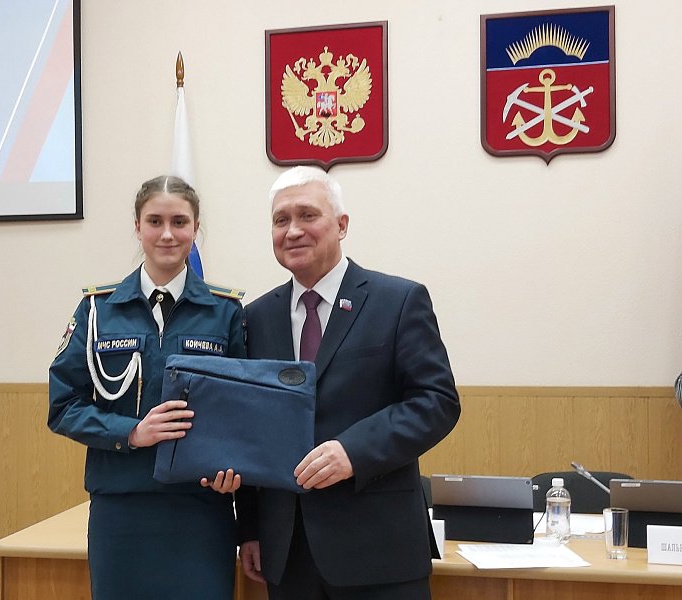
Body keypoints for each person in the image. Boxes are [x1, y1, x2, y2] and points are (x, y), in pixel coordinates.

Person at [234, 166, 461, 600]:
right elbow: (250, 427)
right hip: (287, 554)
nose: (293, 230)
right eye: (281, 220)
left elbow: (436, 402)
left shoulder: (398, 301)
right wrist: (250, 528)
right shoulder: (255, 318)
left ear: (341, 225)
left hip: (379, 551)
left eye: (307, 215)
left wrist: (353, 451)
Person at [48, 175, 245, 600]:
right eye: (155, 221)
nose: (167, 234)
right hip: (122, 509)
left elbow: (244, 414)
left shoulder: (226, 312)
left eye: (180, 222)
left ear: (196, 228)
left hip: (201, 511)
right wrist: (132, 432)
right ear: (137, 227)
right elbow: (63, 407)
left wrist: (233, 470)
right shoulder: (98, 310)